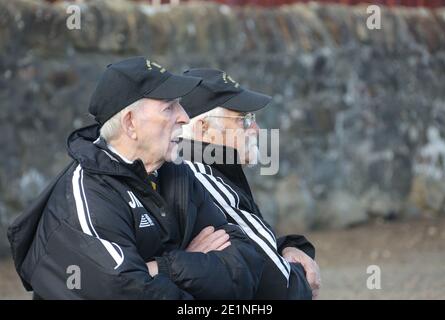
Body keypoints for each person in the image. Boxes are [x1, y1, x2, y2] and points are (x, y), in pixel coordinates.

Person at [7, 57, 264, 299]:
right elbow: (127, 290)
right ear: (130, 124)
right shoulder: (86, 194)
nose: (184, 117)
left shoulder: (178, 174)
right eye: (169, 107)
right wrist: (192, 265)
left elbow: (246, 263)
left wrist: (162, 268)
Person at [180, 68, 321, 299]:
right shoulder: (199, 175)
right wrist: (301, 276)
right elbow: (279, 285)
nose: (256, 129)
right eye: (243, 119)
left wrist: (288, 247)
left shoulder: (212, 169)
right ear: (204, 129)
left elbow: (254, 244)